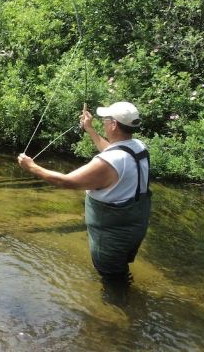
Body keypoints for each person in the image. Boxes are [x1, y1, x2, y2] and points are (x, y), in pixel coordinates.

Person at [17, 101, 151, 277]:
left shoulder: (108, 162)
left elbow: (67, 182)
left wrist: (32, 167)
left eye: (105, 119)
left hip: (112, 236)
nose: (103, 122)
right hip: (135, 226)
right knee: (120, 272)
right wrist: (90, 129)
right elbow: (112, 151)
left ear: (114, 124)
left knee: (112, 280)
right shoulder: (138, 147)